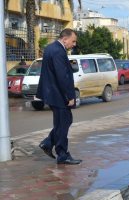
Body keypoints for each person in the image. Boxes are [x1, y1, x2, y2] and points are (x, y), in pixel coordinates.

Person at [36, 28, 82, 165]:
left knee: (63, 122)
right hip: (58, 94)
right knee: (64, 122)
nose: (74, 44)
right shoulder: (57, 51)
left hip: (53, 93)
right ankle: (62, 154)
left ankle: (48, 143)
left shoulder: (51, 48)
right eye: (73, 41)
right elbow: (62, 76)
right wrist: (69, 95)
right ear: (65, 38)